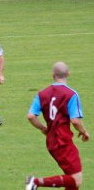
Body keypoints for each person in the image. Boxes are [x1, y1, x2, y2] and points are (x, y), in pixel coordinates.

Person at [25, 62, 89, 190]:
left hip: (51, 141)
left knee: (71, 181)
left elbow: (31, 116)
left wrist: (43, 128)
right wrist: (84, 132)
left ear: (53, 75)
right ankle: (35, 182)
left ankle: (35, 182)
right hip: (63, 141)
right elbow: (75, 121)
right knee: (75, 180)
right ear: (68, 74)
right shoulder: (71, 94)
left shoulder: (42, 94)